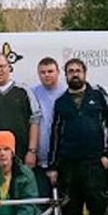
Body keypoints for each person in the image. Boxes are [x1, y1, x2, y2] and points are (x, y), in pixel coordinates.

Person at [49, 58, 108, 215]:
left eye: (78, 70)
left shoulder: (98, 96)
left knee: (100, 205)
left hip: (95, 162)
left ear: (85, 73)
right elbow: (55, 135)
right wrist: (53, 166)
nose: (75, 74)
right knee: (71, 207)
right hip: (69, 164)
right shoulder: (61, 102)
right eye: (70, 71)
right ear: (66, 75)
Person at [30, 57, 66, 198]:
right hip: (38, 160)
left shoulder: (67, 92)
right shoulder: (32, 93)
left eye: (50, 71)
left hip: (63, 161)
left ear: (58, 72)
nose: (47, 75)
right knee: (42, 200)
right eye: (43, 72)